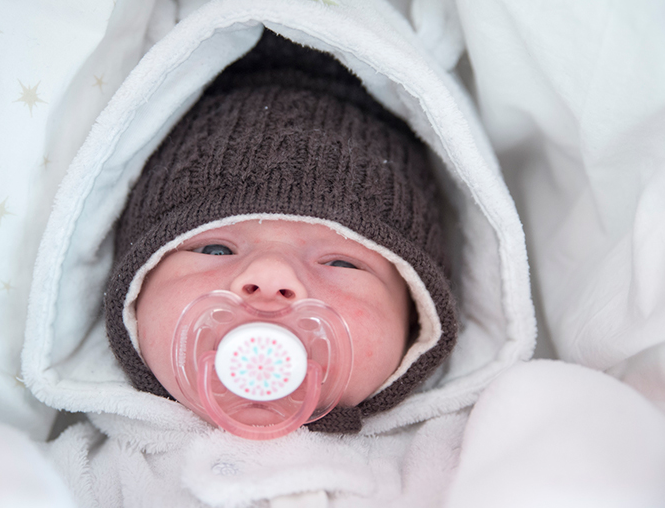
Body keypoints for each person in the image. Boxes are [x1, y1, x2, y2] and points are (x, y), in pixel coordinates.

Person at [104, 29, 458, 433]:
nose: (271, 276)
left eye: (342, 261)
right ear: (131, 295)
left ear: (416, 324)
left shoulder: (461, 457)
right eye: (215, 249)